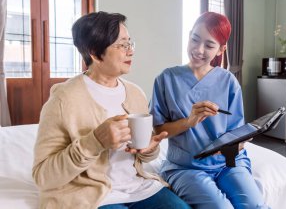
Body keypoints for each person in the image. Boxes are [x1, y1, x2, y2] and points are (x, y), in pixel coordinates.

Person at [32, 11, 190, 209]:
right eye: (122, 45)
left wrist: (150, 149)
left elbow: (141, 154)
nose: (130, 51)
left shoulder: (135, 93)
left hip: (138, 188)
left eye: (130, 43)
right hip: (93, 196)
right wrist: (95, 142)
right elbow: (43, 176)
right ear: (96, 53)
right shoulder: (63, 99)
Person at [150, 12, 269, 209]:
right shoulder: (166, 79)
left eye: (209, 45)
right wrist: (189, 121)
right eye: (194, 39)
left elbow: (234, 130)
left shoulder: (228, 81)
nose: (198, 49)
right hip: (186, 167)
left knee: (255, 205)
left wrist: (238, 143)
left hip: (228, 164)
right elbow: (157, 131)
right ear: (189, 36)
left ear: (221, 49)